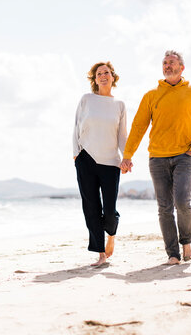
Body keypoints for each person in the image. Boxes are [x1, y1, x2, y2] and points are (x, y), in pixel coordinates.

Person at [120, 50, 191, 265]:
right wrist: (127, 155)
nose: (167, 66)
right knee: (164, 208)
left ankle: (186, 243)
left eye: (172, 62)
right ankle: (173, 254)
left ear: (182, 67)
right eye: (165, 63)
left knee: (182, 202)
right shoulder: (151, 95)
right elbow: (138, 127)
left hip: (184, 157)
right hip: (157, 158)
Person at [73, 61, 128, 266]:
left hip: (111, 163)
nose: (103, 76)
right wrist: (76, 154)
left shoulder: (119, 105)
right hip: (85, 158)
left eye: (106, 72)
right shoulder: (86, 100)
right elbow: (76, 127)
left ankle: (111, 234)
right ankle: (100, 254)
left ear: (112, 77)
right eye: (98, 74)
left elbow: (122, 135)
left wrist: (127, 157)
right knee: (91, 207)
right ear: (94, 79)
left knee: (110, 210)